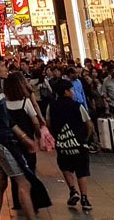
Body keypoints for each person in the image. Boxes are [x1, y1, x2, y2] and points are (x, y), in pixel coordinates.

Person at [0, 52, 39, 220]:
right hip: (1, 143)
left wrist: (24, 138)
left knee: (1, 182)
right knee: (23, 182)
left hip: (4, 139)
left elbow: (7, 119)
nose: (6, 69)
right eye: (2, 65)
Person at [48, 78, 94, 211]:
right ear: (66, 91)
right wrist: (85, 138)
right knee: (82, 170)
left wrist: (57, 135)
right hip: (79, 144)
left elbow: (48, 122)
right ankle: (84, 197)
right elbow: (89, 124)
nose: (73, 92)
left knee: (65, 167)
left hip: (62, 144)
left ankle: (73, 191)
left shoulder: (52, 106)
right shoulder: (77, 105)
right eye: (71, 90)